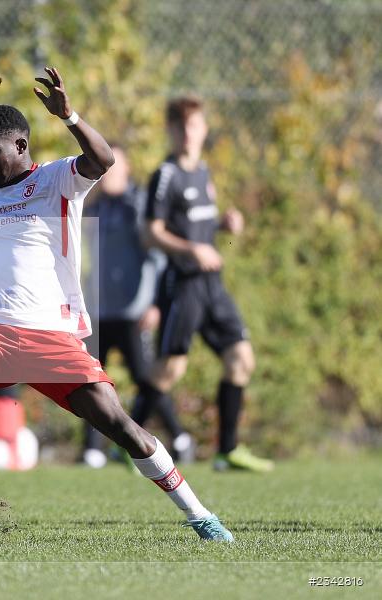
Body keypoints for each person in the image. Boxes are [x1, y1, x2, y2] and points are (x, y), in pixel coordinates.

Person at [0, 68, 233, 541]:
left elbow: (103, 159)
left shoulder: (58, 179)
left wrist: (71, 116)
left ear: (19, 146)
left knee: (122, 427)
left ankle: (200, 515)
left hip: (49, 337)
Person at [144, 96, 272, 472]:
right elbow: (150, 233)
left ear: (204, 129)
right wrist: (193, 250)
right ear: (170, 130)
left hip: (213, 284)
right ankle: (126, 438)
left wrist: (224, 225)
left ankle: (227, 450)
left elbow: (198, 223)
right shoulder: (165, 175)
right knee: (171, 370)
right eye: (181, 126)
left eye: (195, 125)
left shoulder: (203, 173)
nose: (188, 133)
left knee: (241, 360)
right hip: (183, 283)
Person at [79, 144, 192, 467]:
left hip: (133, 310)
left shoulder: (141, 205)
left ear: (126, 169)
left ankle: (178, 436)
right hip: (98, 310)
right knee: (88, 380)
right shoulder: (93, 206)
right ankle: (92, 449)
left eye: (114, 166)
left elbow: (156, 257)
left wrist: (154, 304)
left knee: (145, 376)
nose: (107, 173)